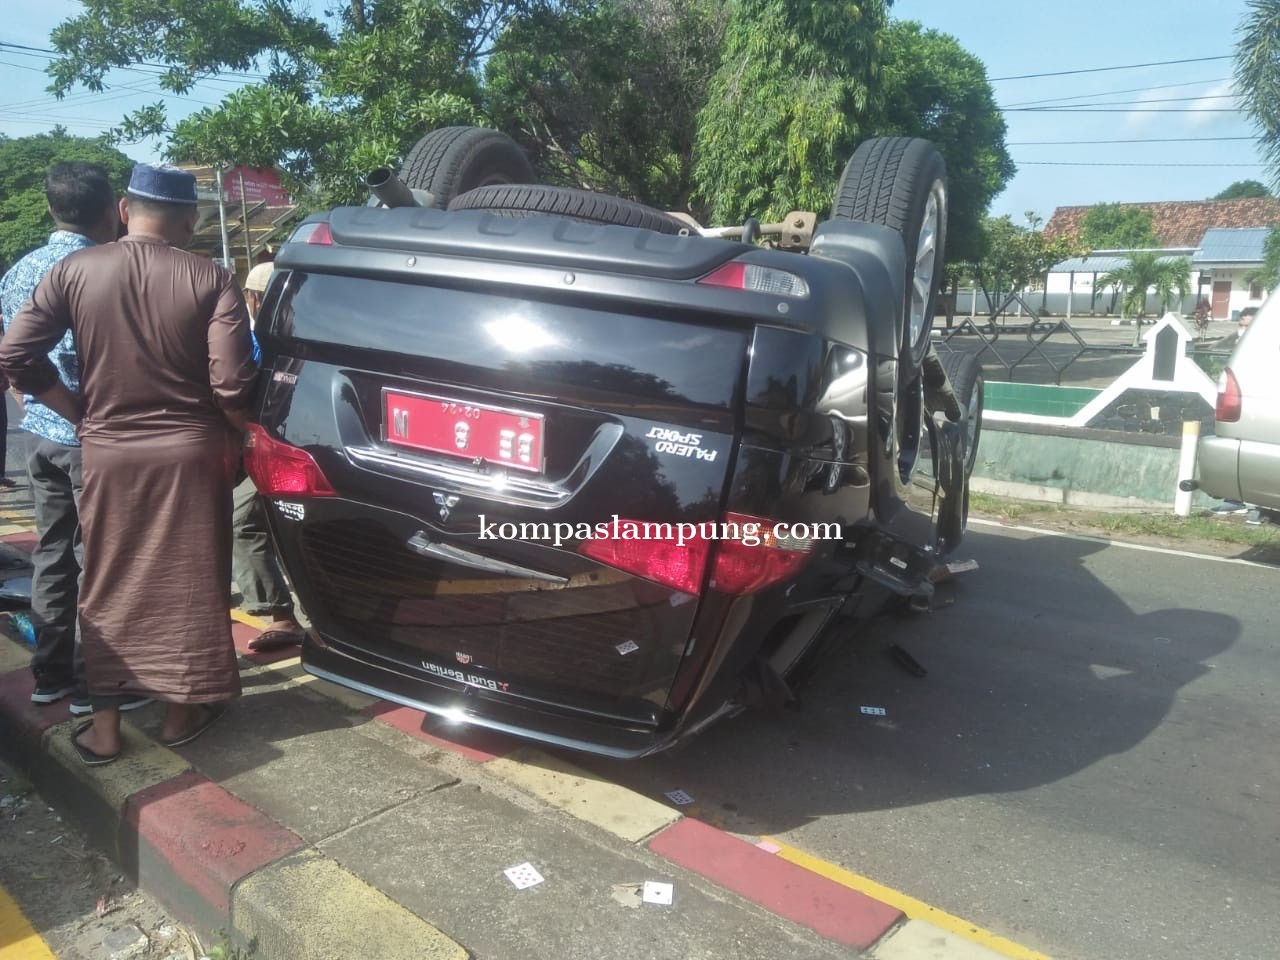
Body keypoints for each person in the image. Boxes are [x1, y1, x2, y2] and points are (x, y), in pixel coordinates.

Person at [0, 163, 257, 765]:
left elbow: (15, 352)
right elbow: (230, 383)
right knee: (191, 579)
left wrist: (78, 412)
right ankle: (180, 713)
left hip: (108, 452)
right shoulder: (211, 276)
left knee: (108, 578)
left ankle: (106, 729)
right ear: (189, 221)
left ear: (124, 211)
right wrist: (243, 433)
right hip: (192, 456)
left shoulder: (74, 271)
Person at [0, 162, 152, 715]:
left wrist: (35, 402)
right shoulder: (111, 270)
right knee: (103, 563)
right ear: (115, 210)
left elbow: (12, 354)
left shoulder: (19, 272)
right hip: (95, 436)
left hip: (41, 436)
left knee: (53, 554)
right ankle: (98, 686)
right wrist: (79, 414)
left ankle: (52, 674)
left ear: (50, 208)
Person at [232, 261, 306, 651]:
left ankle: (281, 615)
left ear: (254, 298)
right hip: (276, 446)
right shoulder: (274, 336)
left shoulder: (262, 339)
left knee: (242, 521)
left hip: (279, 449)